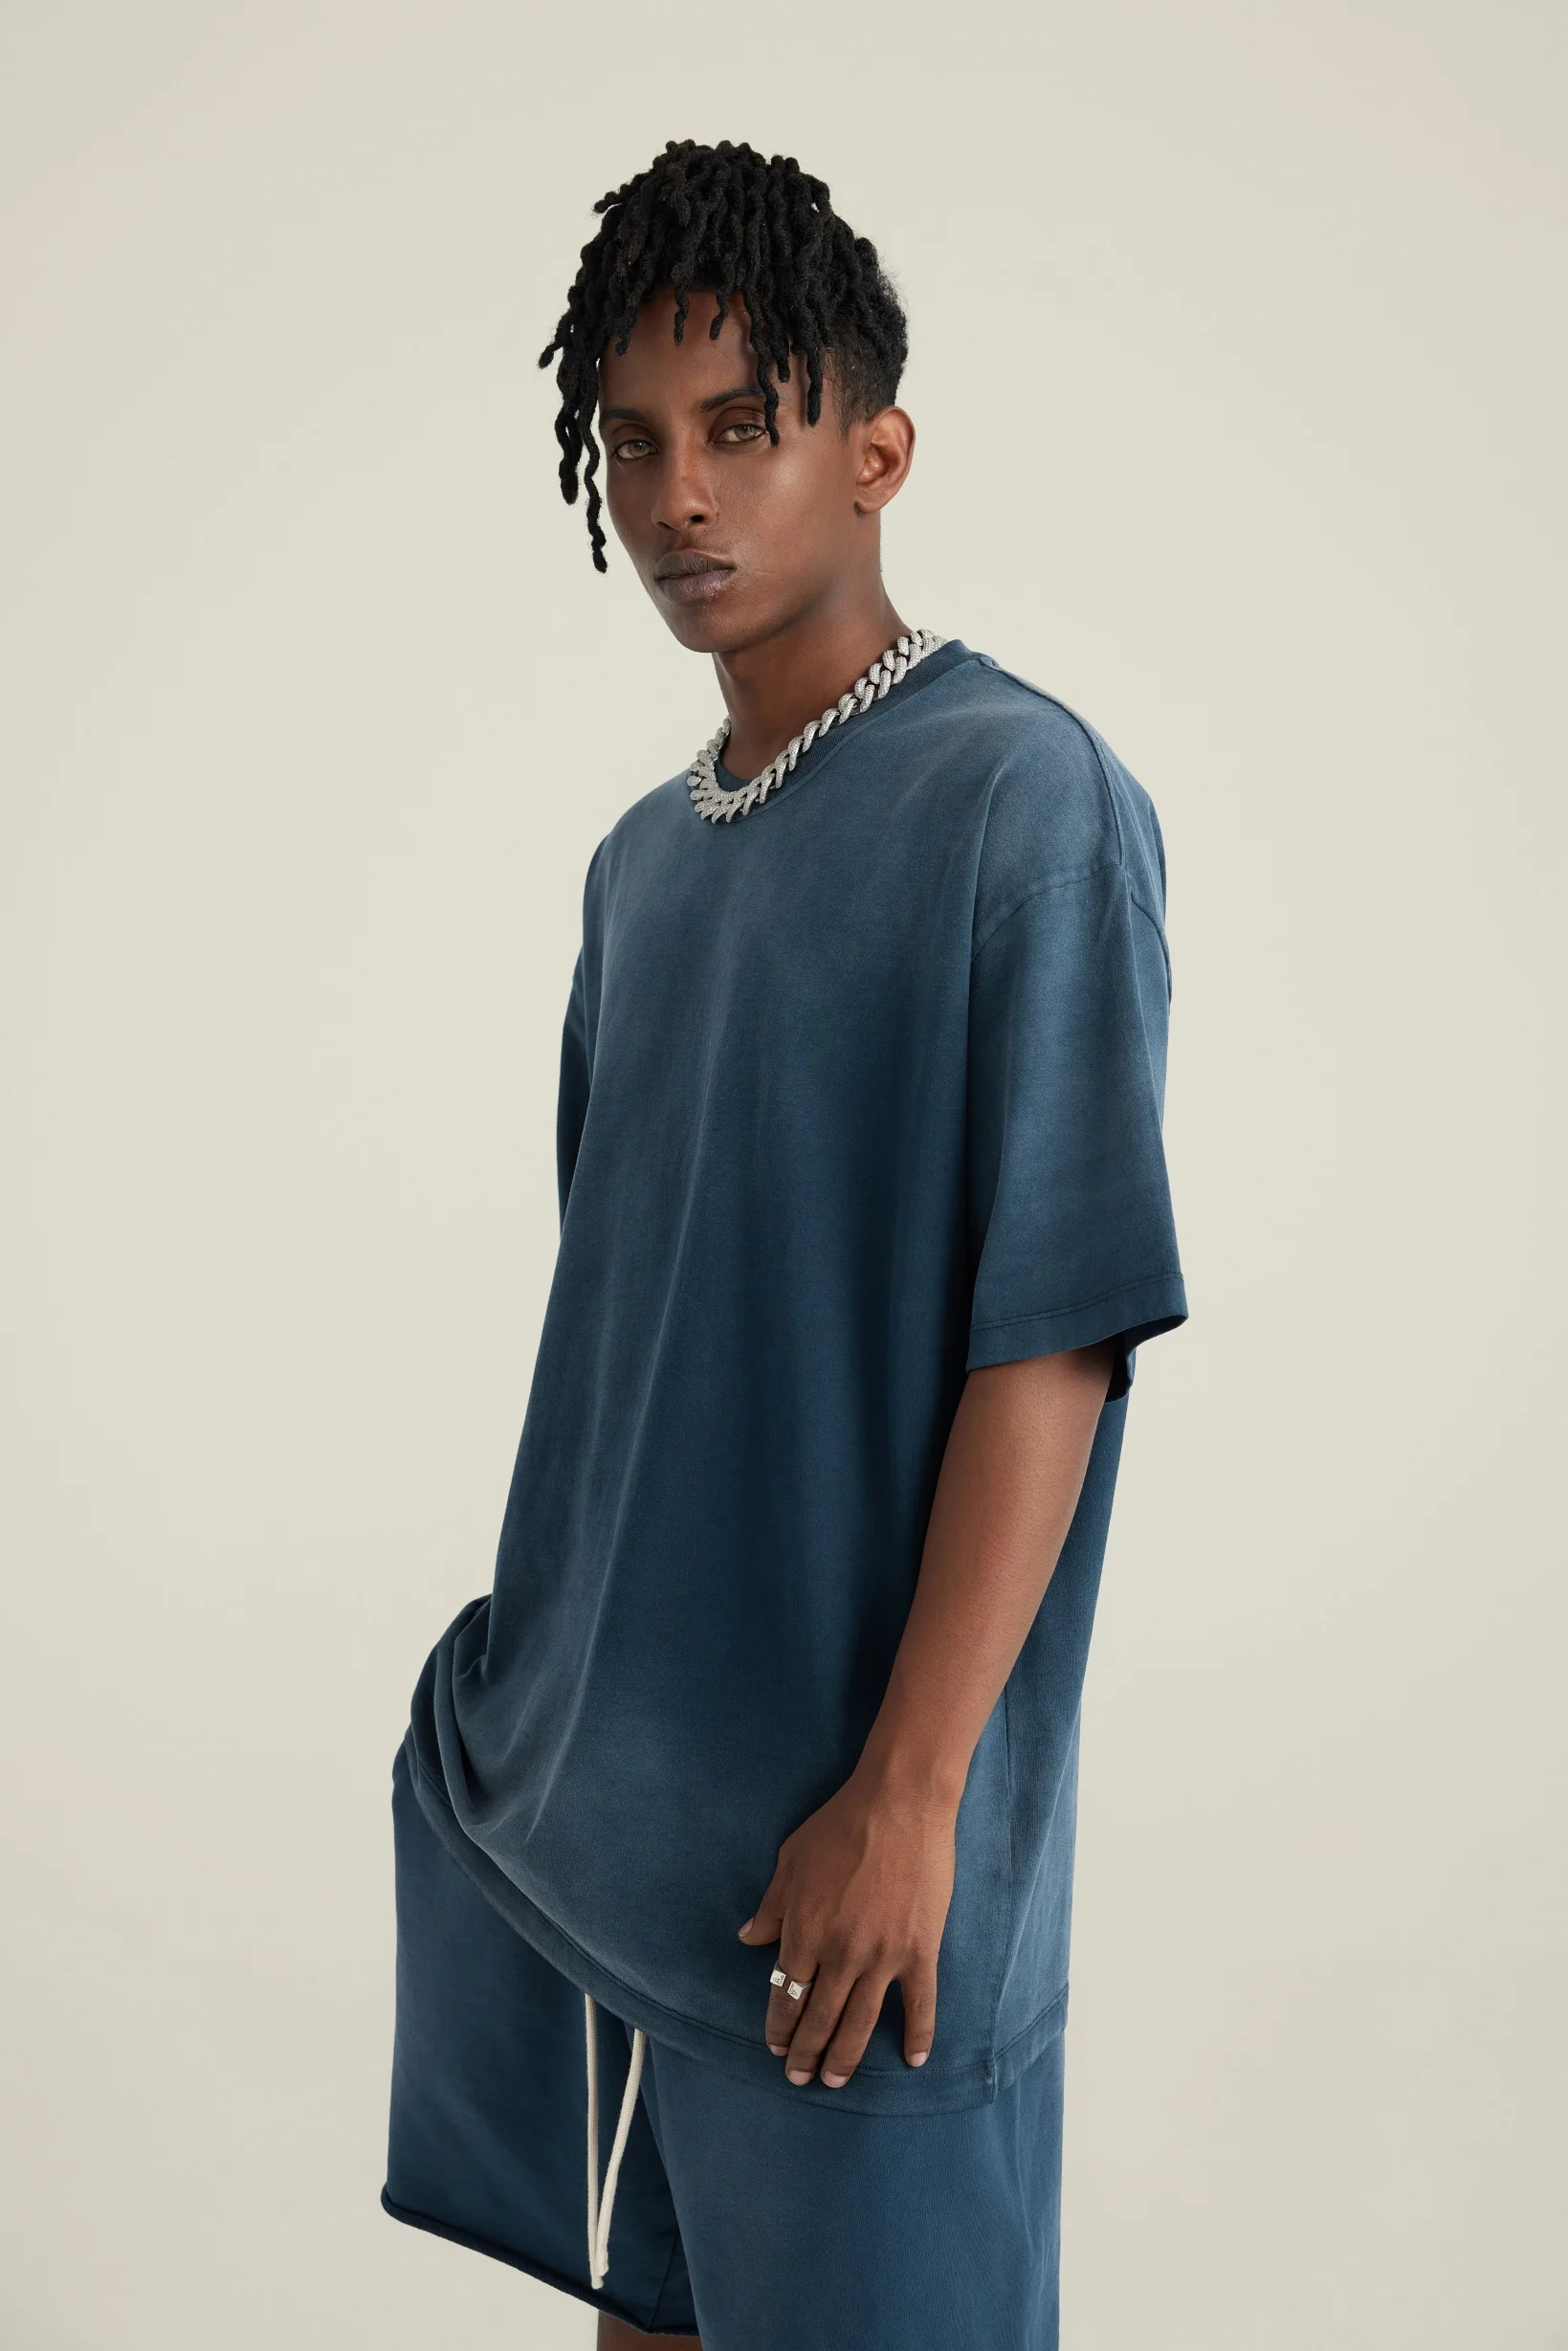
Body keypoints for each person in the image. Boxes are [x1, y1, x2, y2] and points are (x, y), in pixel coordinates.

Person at [382, 138, 1188, 2350]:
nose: (680, 497)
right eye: (634, 442)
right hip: (608, 1851)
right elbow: (635, 1345)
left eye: (743, 428)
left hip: (857, 1892)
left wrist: (910, 1795)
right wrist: (527, 1696)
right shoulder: (640, 871)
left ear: (875, 452)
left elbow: (1056, 1335)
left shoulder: (1025, 803)